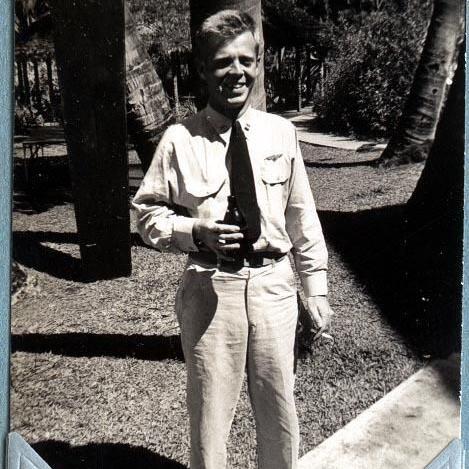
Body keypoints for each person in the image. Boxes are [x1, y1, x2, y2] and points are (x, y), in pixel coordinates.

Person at [132, 9, 333, 469]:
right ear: (202, 69)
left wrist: (315, 289)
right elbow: (145, 213)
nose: (236, 71)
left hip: (275, 291)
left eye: (246, 59)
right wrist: (193, 231)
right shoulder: (179, 140)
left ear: (259, 63)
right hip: (211, 292)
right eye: (223, 62)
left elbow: (303, 218)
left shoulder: (281, 132)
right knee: (209, 423)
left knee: (280, 415)